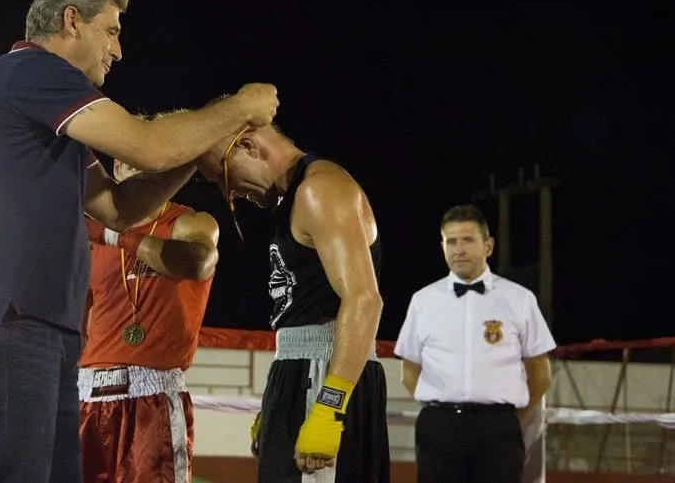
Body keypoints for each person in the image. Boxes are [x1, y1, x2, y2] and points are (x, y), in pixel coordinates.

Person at [0, 0, 279, 483]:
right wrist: (239, 108)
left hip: (37, 325)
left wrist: (198, 152)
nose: (117, 50)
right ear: (72, 20)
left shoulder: (42, 107)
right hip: (9, 320)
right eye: (111, 31)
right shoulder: (34, 72)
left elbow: (119, 207)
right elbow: (148, 146)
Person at [195, 121, 389, 483]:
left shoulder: (321, 189)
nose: (230, 193)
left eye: (223, 175)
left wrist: (328, 407)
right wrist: (280, 399)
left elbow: (365, 299)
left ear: (248, 146)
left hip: (325, 375)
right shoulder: (298, 195)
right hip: (303, 374)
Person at [78, 129, 220, 483]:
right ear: (116, 168)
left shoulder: (189, 222)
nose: (139, 173)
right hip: (86, 393)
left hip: (153, 395)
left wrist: (116, 235)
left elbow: (198, 263)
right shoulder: (90, 236)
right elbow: (77, 316)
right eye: (129, 162)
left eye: (148, 162)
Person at [393, 204, 556, 483]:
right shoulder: (423, 300)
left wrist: (506, 417)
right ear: (442, 247)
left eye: (468, 240)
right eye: (451, 242)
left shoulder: (519, 299)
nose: (459, 250)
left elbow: (540, 374)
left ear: (488, 246)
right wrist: (441, 408)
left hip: (499, 429)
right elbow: (409, 372)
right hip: (439, 427)